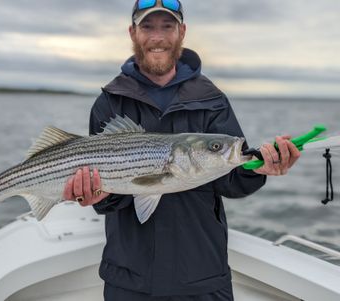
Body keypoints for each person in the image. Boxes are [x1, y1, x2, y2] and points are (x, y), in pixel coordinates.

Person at [63, 0, 301, 300]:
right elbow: (105, 191)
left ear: (182, 32)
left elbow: (232, 178)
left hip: (202, 276)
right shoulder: (110, 102)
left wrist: (259, 170)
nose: (158, 37)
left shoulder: (212, 99)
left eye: (168, 26)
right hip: (129, 279)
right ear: (133, 33)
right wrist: (98, 196)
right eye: (147, 26)